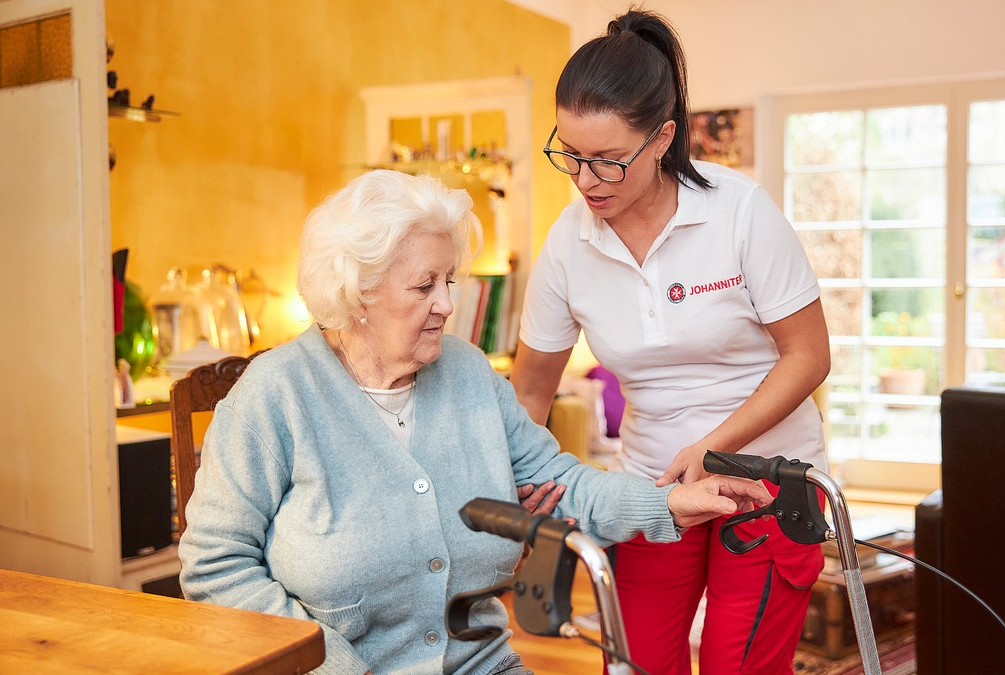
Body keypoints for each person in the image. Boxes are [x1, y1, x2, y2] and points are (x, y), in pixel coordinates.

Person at [177, 169, 773, 675]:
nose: (446, 303)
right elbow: (215, 567)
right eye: (423, 285)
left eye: (449, 281)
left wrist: (668, 503)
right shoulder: (275, 397)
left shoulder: (465, 373)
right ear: (356, 291)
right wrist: (327, 662)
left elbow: (562, 480)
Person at [510, 8, 831, 675]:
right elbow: (533, 387)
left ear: (661, 139)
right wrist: (517, 491)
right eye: (570, 154)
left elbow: (808, 354)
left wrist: (716, 447)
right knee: (635, 665)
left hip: (766, 480)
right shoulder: (570, 242)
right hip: (655, 488)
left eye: (607, 160)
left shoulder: (739, 211)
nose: (585, 179)